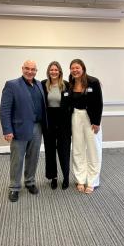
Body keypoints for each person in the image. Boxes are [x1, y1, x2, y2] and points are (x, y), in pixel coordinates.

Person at [0, 60, 47, 202]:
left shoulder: (39, 84)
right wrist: (7, 130)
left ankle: (30, 182)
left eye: (33, 69)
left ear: (36, 71)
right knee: (17, 159)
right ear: (22, 69)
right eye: (27, 68)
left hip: (37, 127)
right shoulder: (12, 85)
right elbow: (5, 109)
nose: (30, 71)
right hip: (19, 128)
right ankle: (14, 187)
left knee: (33, 157)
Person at [69, 59, 103, 194]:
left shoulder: (93, 82)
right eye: (72, 68)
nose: (75, 70)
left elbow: (99, 103)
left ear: (83, 68)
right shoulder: (70, 82)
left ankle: (93, 181)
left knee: (93, 149)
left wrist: (97, 122)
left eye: (77, 68)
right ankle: (80, 179)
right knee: (78, 148)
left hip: (91, 119)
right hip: (75, 117)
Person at [41, 61, 71, 190]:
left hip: (64, 122)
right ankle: (53, 177)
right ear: (48, 72)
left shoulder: (67, 85)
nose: (54, 72)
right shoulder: (42, 85)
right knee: (50, 150)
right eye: (51, 70)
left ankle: (66, 177)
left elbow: (71, 103)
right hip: (49, 122)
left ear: (60, 72)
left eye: (56, 70)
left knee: (64, 151)